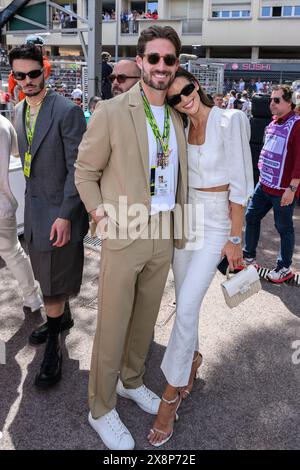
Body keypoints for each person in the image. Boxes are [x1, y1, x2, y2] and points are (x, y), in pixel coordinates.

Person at [75, 25, 187, 450]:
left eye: (168, 60)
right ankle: (100, 408)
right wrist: (100, 217)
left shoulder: (177, 113)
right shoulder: (112, 109)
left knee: (144, 320)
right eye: (153, 58)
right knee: (112, 325)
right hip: (124, 230)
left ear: (176, 65)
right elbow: (85, 171)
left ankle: (132, 380)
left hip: (164, 229)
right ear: (140, 61)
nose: (161, 66)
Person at [148, 67, 254, 447]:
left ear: (199, 86)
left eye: (187, 89)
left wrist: (235, 237)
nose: (184, 99)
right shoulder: (179, 129)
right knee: (183, 301)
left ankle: (170, 396)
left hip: (214, 224)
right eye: (175, 97)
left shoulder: (231, 120)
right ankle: (190, 358)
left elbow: (242, 182)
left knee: (189, 304)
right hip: (185, 218)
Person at [9, 44, 89, 388]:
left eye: (33, 73)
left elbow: (79, 168)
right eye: (20, 75)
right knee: (45, 274)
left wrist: (66, 214)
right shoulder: (17, 111)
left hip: (60, 211)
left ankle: (54, 347)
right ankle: (62, 320)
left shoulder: (67, 111)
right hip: (34, 206)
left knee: (54, 282)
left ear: (46, 71)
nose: (27, 80)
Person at [243, 85, 300, 282]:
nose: (271, 104)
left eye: (277, 100)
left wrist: (291, 189)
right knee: (251, 217)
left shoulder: (297, 124)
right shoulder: (273, 123)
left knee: (283, 228)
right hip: (264, 185)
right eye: (271, 100)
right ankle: (248, 257)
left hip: (282, 189)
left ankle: (284, 268)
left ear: (288, 101)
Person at [0, 114, 43, 315]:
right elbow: (18, 151)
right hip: (3, 204)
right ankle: (33, 298)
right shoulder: (3, 123)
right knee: (14, 253)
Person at [8, 35, 51, 104]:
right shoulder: (45, 63)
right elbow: (12, 79)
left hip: (34, 100)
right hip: (25, 100)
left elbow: (12, 79)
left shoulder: (45, 64)